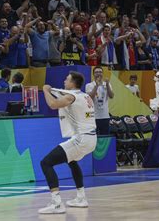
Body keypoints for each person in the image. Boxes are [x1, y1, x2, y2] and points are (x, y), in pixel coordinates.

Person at [39, 71, 96, 214]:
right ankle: (81, 197)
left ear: (72, 83)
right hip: (92, 138)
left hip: (82, 139)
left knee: (46, 163)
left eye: (67, 79)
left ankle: (57, 203)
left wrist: (46, 90)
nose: (64, 81)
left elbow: (53, 104)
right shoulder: (85, 95)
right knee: (72, 161)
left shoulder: (71, 96)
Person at [85, 66, 114, 135]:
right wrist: (96, 86)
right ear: (93, 74)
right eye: (96, 72)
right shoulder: (89, 85)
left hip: (105, 116)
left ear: (102, 73)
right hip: (92, 116)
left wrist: (107, 85)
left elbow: (111, 96)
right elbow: (90, 97)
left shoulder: (107, 84)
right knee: (92, 137)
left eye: (100, 72)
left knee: (104, 137)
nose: (98, 74)